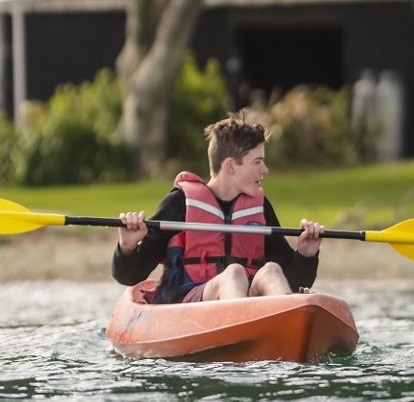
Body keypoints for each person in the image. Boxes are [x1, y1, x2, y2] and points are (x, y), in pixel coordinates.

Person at [112, 117, 327, 304]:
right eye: (258, 162)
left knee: (271, 270)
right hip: (187, 299)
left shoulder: (259, 207)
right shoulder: (179, 204)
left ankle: (284, 326)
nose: (265, 170)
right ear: (230, 166)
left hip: (245, 300)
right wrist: (128, 246)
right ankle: (243, 330)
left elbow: (294, 280)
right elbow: (130, 275)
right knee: (233, 273)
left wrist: (306, 255)